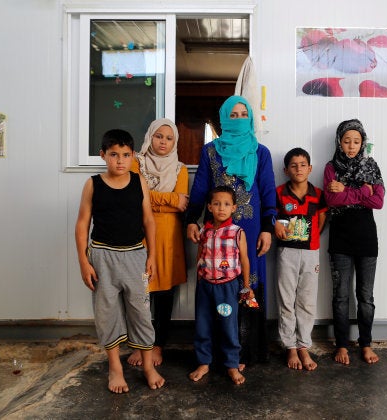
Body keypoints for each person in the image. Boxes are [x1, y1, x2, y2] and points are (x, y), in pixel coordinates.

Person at [186, 95, 277, 369]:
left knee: (246, 285)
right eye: (233, 115)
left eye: (242, 114)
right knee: (217, 285)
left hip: (249, 231)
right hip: (216, 231)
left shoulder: (260, 152)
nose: (238, 119)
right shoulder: (210, 151)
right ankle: (213, 354)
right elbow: (201, 187)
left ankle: (245, 353)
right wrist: (192, 219)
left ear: (249, 117)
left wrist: (267, 229)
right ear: (224, 119)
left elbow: (267, 190)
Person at [75, 129, 165, 393]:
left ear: (133, 156)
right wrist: (83, 261)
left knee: (141, 312)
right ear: (103, 155)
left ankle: (148, 366)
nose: (120, 160)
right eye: (113, 154)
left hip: (136, 255)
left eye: (126, 155)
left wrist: (153, 256)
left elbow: (149, 220)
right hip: (102, 257)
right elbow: (82, 224)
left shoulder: (139, 182)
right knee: (107, 313)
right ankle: (115, 368)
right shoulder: (93, 184)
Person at [127, 118, 188, 367]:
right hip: (139, 234)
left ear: (175, 142)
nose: (163, 142)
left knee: (164, 295)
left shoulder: (179, 169)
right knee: (138, 293)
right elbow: (133, 197)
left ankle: (157, 346)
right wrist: (169, 200)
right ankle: (139, 345)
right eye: (158, 136)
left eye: (169, 138)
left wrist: (151, 199)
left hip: (169, 238)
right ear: (150, 137)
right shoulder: (135, 162)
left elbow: (182, 203)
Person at [323, 119, 385, 365]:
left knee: (366, 296)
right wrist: (363, 192)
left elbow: (378, 202)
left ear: (363, 143)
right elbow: (331, 200)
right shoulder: (331, 167)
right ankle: (341, 345)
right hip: (340, 238)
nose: (351, 146)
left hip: (367, 239)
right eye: (347, 141)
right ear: (339, 141)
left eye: (356, 141)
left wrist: (347, 191)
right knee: (341, 296)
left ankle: (366, 343)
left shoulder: (371, 165)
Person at [189, 186, 251, 385]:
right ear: (209, 207)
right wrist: (199, 278)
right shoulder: (204, 230)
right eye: (216, 204)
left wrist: (246, 286)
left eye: (226, 204)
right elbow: (200, 254)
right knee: (203, 325)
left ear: (233, 208)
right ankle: (203, 362)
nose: (221, 208)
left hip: (227, 287)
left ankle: (232, 364)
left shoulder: (237, 232)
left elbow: (244, 260)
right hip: (206, 286)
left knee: (228, 326)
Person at [275, 148, 327, 370]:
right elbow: (272, 218)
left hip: (310, 252)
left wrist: (312, 237)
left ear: (310, 168)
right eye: (294, 165)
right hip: (286, 253)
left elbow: (322, 219)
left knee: (306, 301)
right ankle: (290, 347)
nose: (299, 169)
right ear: (286, 170)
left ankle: (304, 346)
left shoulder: (318, 193)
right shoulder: (278, 193)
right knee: (286, 301)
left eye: (303, 164)